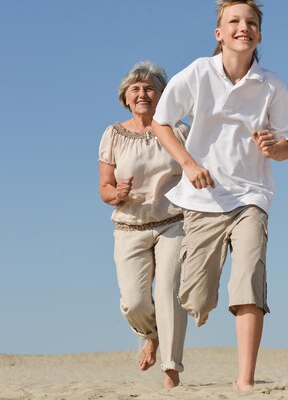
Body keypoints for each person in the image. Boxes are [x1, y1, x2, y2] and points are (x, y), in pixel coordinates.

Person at [150, 0, 288, 391]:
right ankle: (160, 329)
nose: (242, 28)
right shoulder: (199, 73)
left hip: (251, 196)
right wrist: (189, 164)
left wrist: (275, 147)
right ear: (219, 33)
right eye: (234, 22)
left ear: (260, 35)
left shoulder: (271, 86)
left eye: (250, 23)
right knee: (196, 299)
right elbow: (162, 122)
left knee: (249, 279)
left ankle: (245, 380)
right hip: (203, 200)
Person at [98, 61, 189, 389]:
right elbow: (104, 188)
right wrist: (116, 193)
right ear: (125, 97)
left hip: (174, 223)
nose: (143, 94)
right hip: (129, 226)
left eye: (150, 88)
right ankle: (150, 335)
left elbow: (197, 170)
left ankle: (171, 370)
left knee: (169, 293)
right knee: (134, 302)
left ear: (162, 95)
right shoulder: (113, 134)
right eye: (135, 89)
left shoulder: (179, 131)